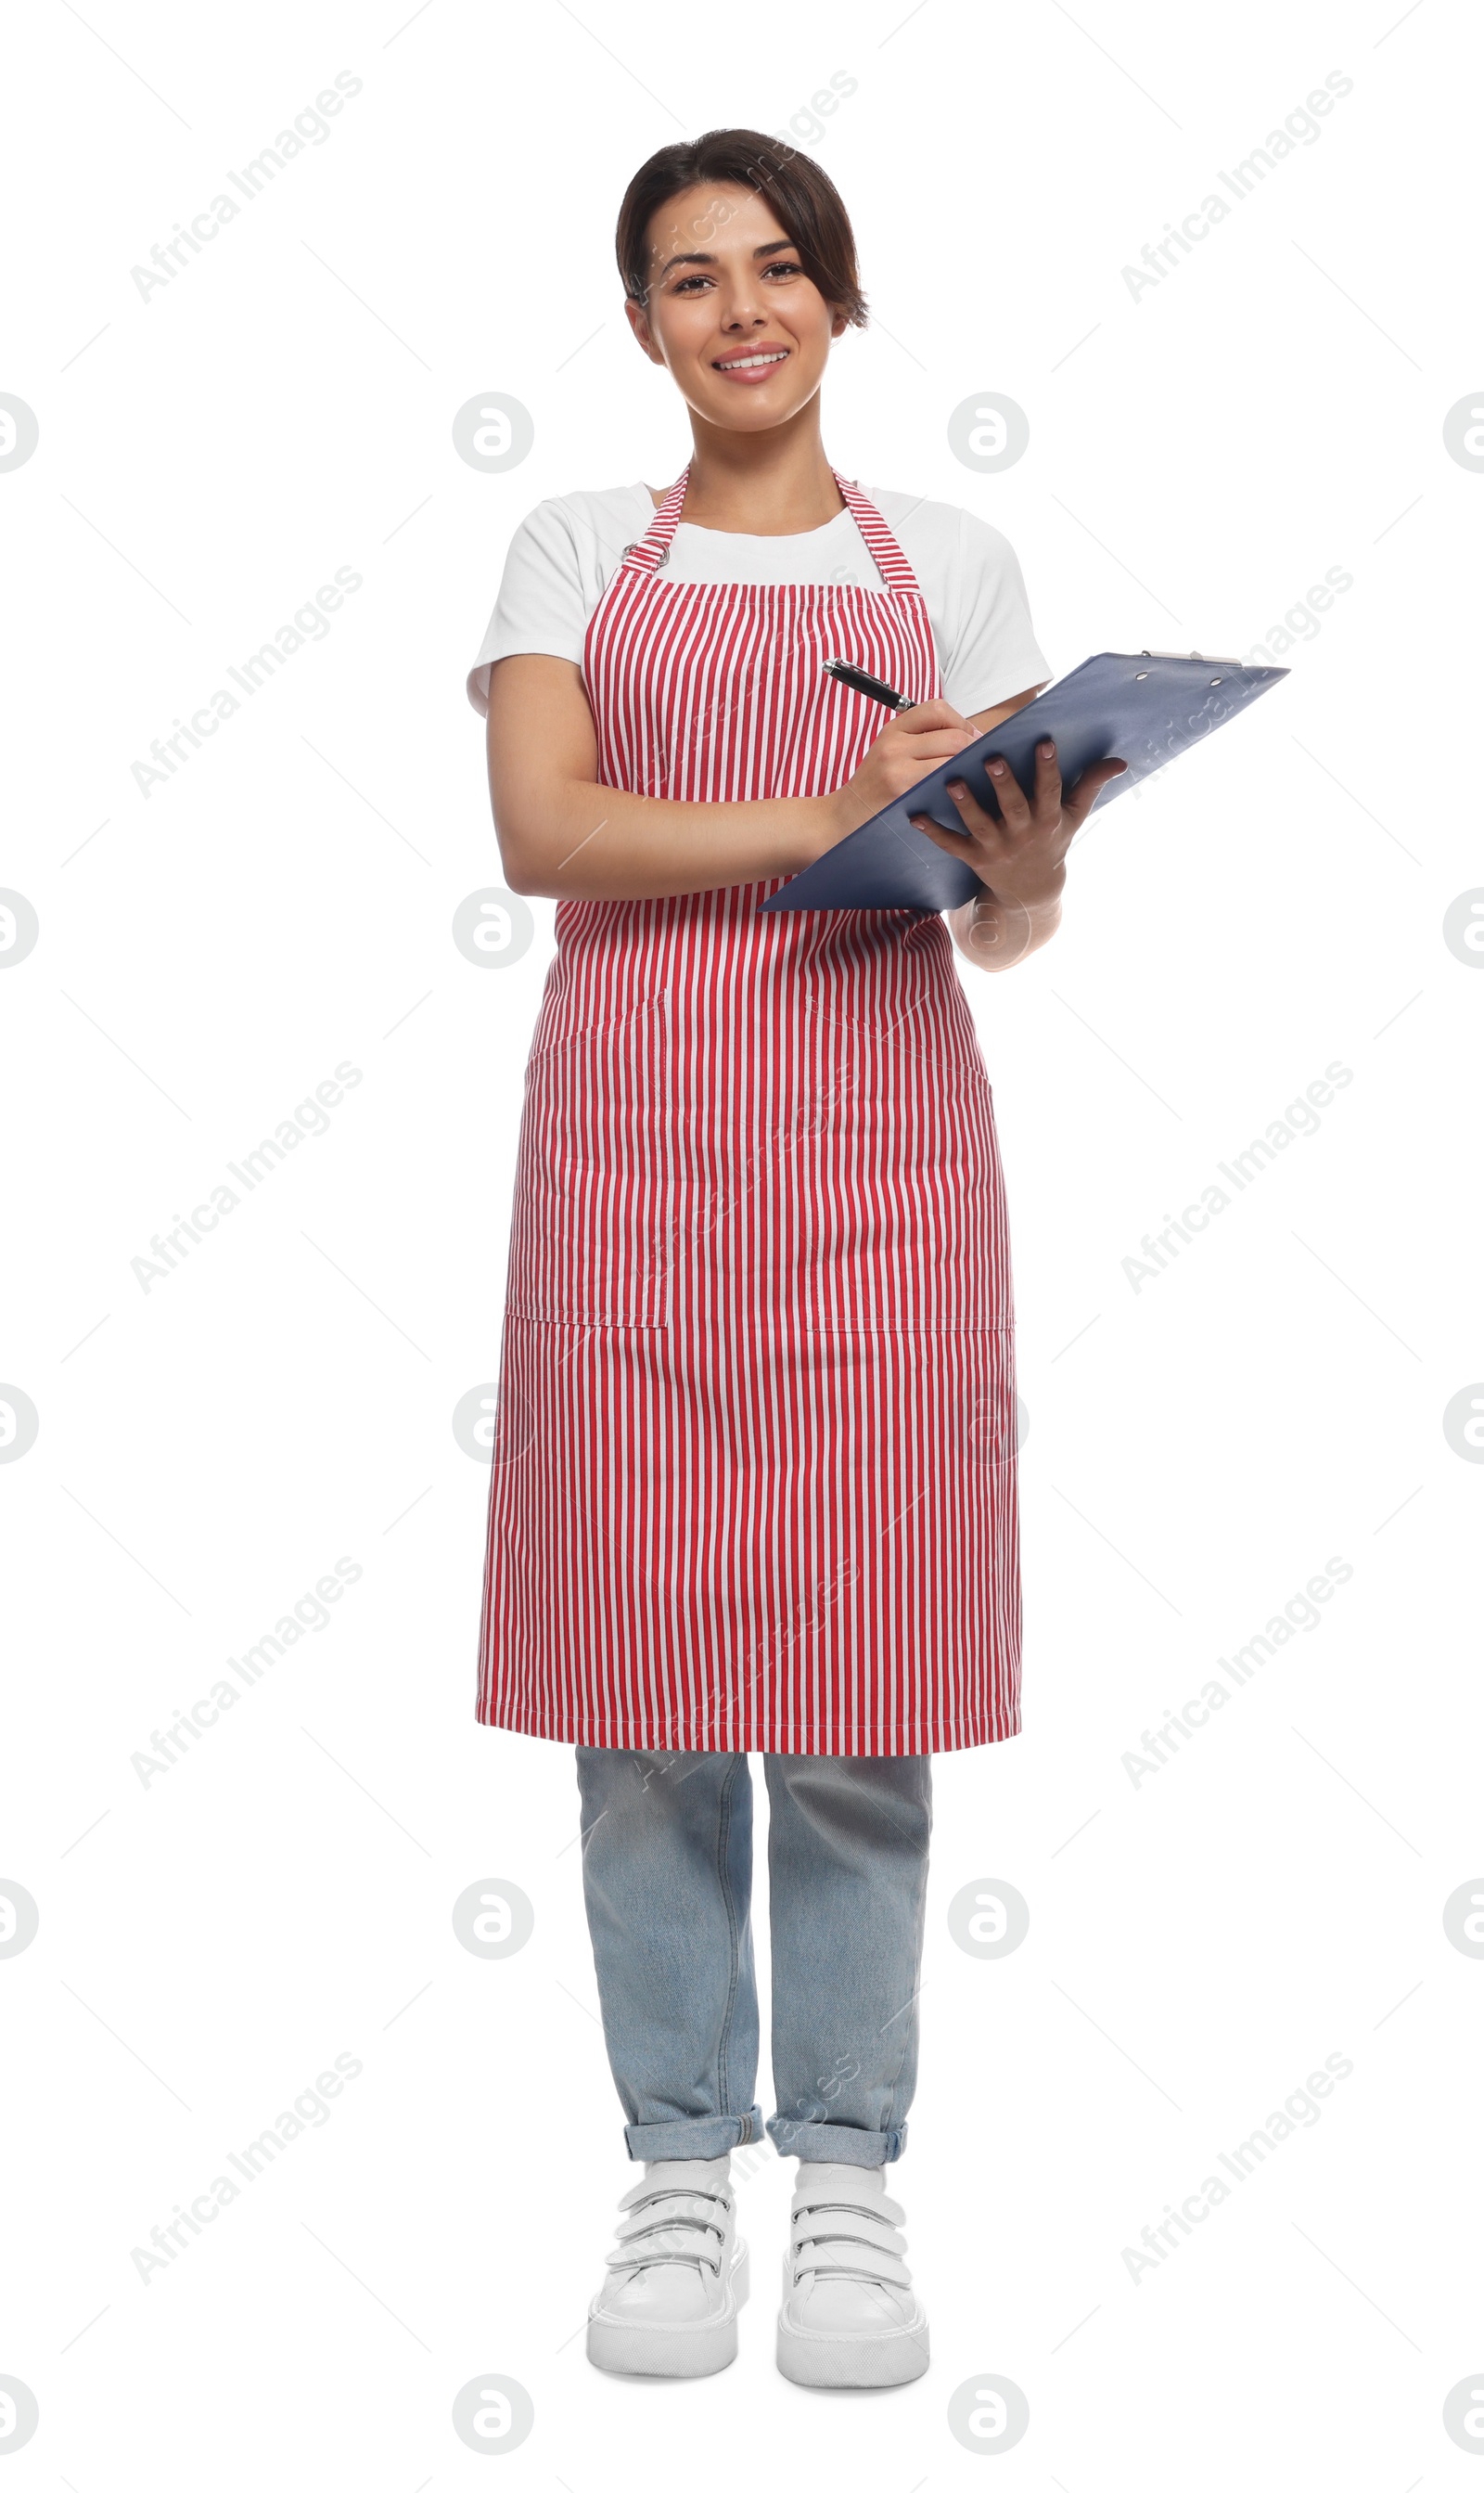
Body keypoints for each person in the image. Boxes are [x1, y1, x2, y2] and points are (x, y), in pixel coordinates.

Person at [464, 128, 1124, 2391]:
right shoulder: (569, 547)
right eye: (684, 279)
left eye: (775, 269)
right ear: (640, 325)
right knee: (643, 1687)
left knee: (854, 1683)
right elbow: (545, 826)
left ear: (839, 299)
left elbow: (1010, 927)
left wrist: (1010, 847)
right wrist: (841, 819)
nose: (735, 309)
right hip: (632, 1157)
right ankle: (676, 2167)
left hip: (881, 1166)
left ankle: (842, 2180)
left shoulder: (949, 561)